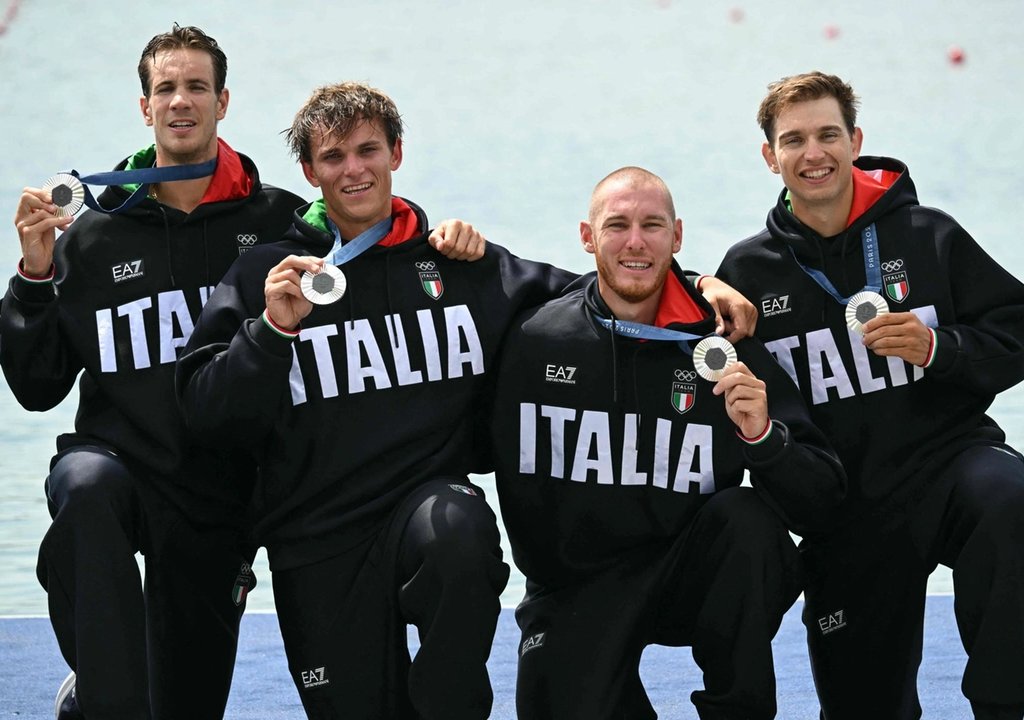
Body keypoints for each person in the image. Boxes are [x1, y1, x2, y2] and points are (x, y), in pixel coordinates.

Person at [175, 82, 756, 719]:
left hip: (425, 510)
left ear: (396, 153)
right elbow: (206, 416)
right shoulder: (272, 273)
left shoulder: (455, 263)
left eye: (369, 149)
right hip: (315, 540)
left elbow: (603, 293)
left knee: (461, 533)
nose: (354, 169)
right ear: (310, 170)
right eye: (334, 156)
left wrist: (696, 279)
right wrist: (271, 331)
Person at [0, 26, 483, 720]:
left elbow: (370, 236)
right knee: (86, 489)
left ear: (223, 102)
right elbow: (35, 388)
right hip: (122, 467)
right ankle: (102, 694)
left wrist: (440, 234)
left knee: (186, 705)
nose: (181, 101)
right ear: (145, 107)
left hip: (221, 502)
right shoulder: (94, 234)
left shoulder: (275, 220)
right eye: (166, 88)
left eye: (196, 87)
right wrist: (34, 274)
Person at [714, 72, 1024, 720]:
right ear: (770, 156)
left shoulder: (926, 233)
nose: (813, 153)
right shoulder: (748, 273)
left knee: (1005, 500)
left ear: (856, 140)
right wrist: (701, 281)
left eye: (828, 135)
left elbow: (1016, 332)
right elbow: (675, 321)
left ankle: (1001, 704)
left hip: (948, 468)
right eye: (794, 139)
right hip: (847, 512)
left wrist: (938, 348)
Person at [490, 167, 846, 720]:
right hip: (575, 590)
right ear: (587, 238)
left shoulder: (724, 342)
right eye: (618, 225)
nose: (636, 241)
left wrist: (763, 438)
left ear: (677, 237)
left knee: (749, 521)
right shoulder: (534, 338)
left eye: (653, 226)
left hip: (689, 574)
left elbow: (821, 502)